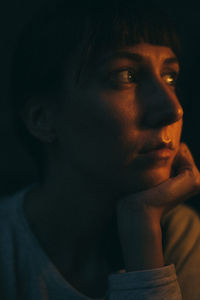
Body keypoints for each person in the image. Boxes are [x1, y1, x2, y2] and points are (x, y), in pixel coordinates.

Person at [1, 0, 200, 299]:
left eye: (170, 77)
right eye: (125, 75)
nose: (172, 109)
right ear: (41, 119)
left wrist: (142, 226)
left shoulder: (180, 233)